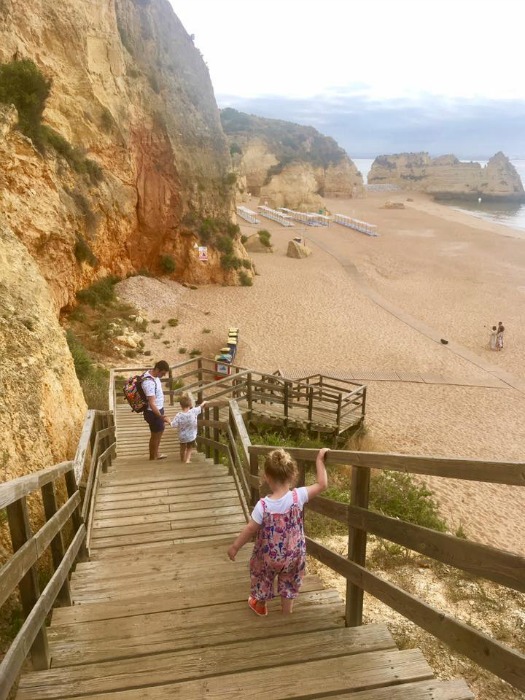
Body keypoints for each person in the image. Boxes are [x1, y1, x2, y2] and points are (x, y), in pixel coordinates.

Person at [227, 447, 330, 616]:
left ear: (267, 477)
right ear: (292, 475)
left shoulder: (263, 505)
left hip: (270, 555)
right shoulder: (298, 496)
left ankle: (260, 605)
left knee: (262, 575)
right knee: (289, 581)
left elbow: (251, 529)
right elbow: (322, 484)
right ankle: (286, 613)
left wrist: (235, 547)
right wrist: (319, 460)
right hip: (294, 554)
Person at [142, 360, 171, 460]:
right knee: (155, 434)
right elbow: (152, 403)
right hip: (153, 412)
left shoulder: (154, 376)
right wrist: (161, 417)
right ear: (157, 369)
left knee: (160, 431)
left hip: (158, 409)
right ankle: (152, 457)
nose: (163, 375)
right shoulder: (149, 383)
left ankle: (156, 453)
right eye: (162, 373)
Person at [170, 393, 210, 463]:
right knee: (189, 448)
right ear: (190, 405)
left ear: (181, 405)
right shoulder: (193, 411)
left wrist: (168, 421)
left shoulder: (179, 415)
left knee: (182, 448)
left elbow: (173, 424)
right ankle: (187, 460)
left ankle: (182, 459)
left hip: (182, 436)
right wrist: (204, 402)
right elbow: (200, 407)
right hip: (191, 436)